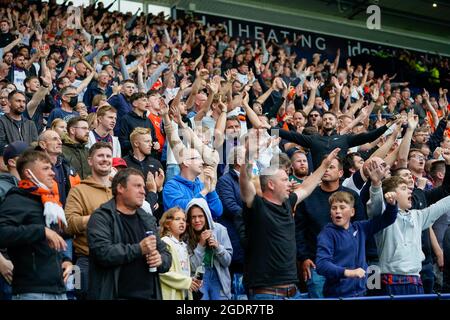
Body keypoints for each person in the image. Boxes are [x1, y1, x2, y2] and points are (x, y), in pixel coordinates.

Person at [239, 144, 340, 300]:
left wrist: (324, 166)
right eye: (285, 179)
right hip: (266, 294)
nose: (290, 183)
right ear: (271, 184)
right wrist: (248, 157)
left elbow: (306, 187)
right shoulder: (257, 206)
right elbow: (246, 182)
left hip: (293, 292)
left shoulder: (288, 203)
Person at [87, 168, 171, 300]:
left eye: (143, 187)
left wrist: (160, 260)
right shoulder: (102, 217)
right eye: (137, 186)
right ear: (120, 188)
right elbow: (102, 253)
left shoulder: (147, 219)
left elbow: (166, 254)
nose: (143, 191)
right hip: (115, 295)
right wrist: (139, 249)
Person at [0, 150, 72, 300]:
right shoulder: (16, 199)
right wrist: (41, 231)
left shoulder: (50, 202)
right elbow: (2, 233)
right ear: (28, 173)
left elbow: (55, 241)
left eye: (51, 168)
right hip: (32, 291)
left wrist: (66, 261)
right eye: (45, 168)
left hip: (59, 290)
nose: (52, 173)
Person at [295, 156, 366, 298]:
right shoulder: (308, 197)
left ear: (340, 173)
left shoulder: (351, 196)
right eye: (324, 166)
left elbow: (361, 229)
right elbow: (298, 230)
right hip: (317, 266)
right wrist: (303, 257)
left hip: (349, 266)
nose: (326, 170)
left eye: (331, 167)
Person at [371, 176, 450, 295]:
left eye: (409, 188)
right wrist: (376, 184)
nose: (410, 191)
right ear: (390, 194)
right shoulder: (382, 217)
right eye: (403, 188)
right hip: (389, 282)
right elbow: (375, 204)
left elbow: (441, 205)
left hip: (415, 282)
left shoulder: (418, 216)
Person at [315, 191, 398, 298]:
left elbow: (387, 219)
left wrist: (391, 205)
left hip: (362, 293)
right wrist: (348, 272)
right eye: (334, 208)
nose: (337, 211)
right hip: (338, 296)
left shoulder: (360, 228)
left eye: (342, 207)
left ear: (352, 212)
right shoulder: (327, 234)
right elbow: (321, 265)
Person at [65, 142, 114, 300]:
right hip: (87, 263)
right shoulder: (78, 190)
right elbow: (69, 224)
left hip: (119, 261)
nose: (105, 159)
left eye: (108, 156)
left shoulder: (120, 189)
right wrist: (96, 218)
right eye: (100, 155)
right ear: (90, 161)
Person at [185, 198, 232, 300]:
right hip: (199, 278)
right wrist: (201, 245)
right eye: (193, 217)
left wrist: (218, 247)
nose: (197, 220)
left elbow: (227, 262)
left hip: (218, 276)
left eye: (200, 216)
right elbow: (192, 267)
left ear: (207, 216)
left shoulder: (220, 230)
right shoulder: (186, 235)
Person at [163, 148, 223, 219]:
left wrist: (211, 190)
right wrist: (204, 192)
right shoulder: (171, 186)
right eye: (198, 158)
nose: (202, 162)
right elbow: (181, 209)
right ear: (185, 162)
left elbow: (217, 212)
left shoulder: (202, 185)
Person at [159, 207, 202, 300]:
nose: (182, 222)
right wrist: (187, 282)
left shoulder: (183, 245)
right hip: (171, 295)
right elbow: (162, 272)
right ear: (167, 224)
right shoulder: (165, 243)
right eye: (177, 219)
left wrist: (193, 280)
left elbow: (184, 271)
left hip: (185, 294)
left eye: (184, 219)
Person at [0, 91, 38, 165]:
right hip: (8, 165)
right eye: (18, 101)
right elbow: (1, 145)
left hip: (28, 164)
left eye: (24, 102)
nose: (22, 104)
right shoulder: (1, 121)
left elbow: (35, 145)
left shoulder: (30, 124)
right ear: (9, 103)